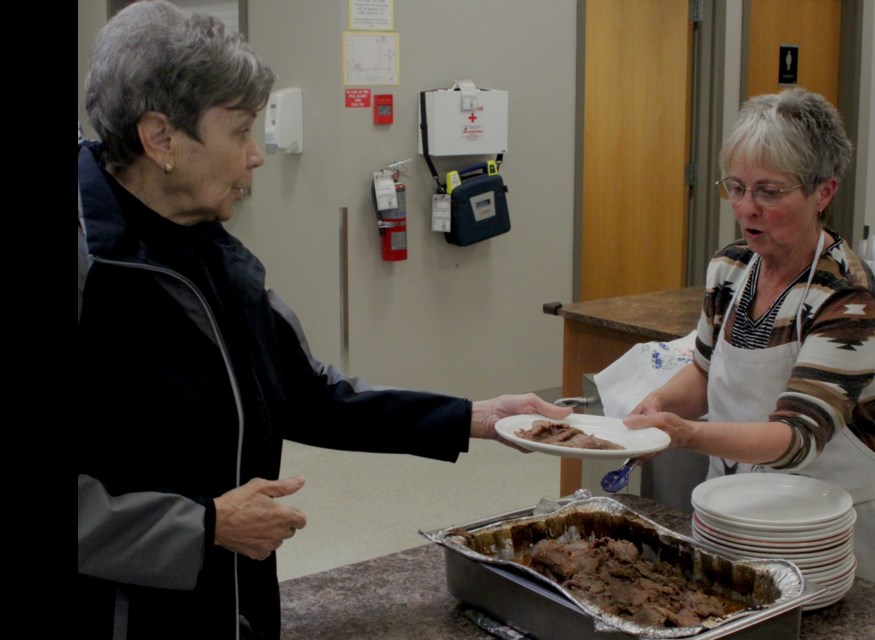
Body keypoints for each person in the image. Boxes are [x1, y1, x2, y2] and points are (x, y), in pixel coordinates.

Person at [76, 2, 570, 638]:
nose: (256, 155)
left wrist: (473, 417)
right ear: (161, 139)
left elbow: (307, 394)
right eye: (240, 131)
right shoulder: (93, 266)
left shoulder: (208, 247)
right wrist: (205, 527)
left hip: (231, 600)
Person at [624, 88, 875, 585]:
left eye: (769, 191)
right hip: (733, 506)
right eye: (736, 187)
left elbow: (798, 436)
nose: (746, 209)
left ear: (823, 192)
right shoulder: (731, 267)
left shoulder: (846, 298)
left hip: (822, 522)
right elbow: (703, 370)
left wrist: (687, 435)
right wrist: (659, 405)